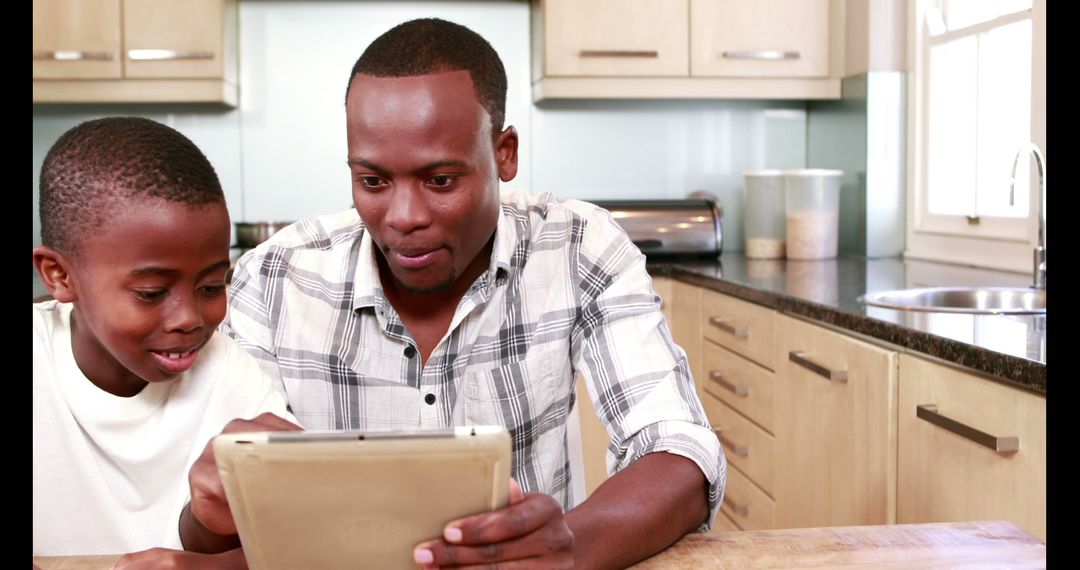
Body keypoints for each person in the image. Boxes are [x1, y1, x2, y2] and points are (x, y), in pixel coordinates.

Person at [184, 17, 726, 569]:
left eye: (440, 180)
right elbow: (216, 519)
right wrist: (207, 507)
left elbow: (679, 450)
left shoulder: (578, 248)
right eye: (373, 182)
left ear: (505, 154)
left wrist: (569, 550)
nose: (404, 218)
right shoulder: (275, 277)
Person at [32, 117, 298, 561]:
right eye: (151, 293)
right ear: (59, 275)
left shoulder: (229, 371)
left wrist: (207, 524)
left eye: (212, 286)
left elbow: (278, 548)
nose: (190, 318)